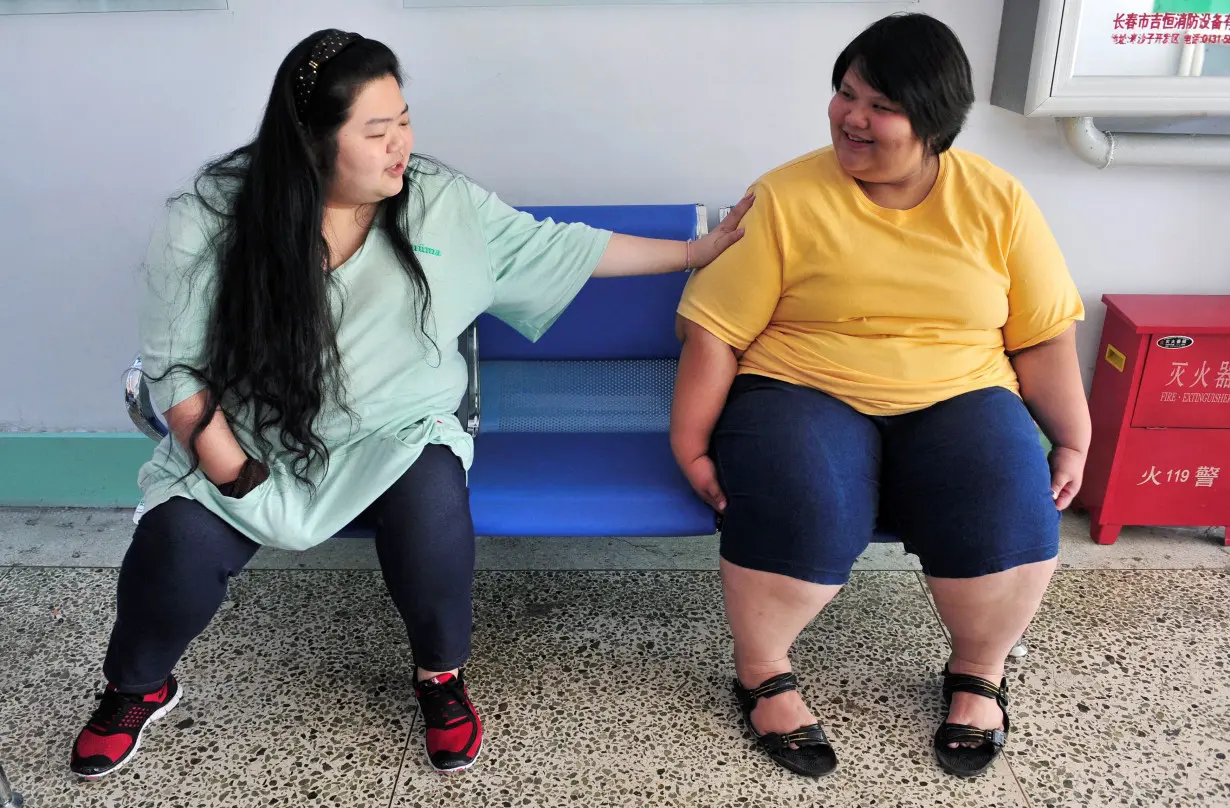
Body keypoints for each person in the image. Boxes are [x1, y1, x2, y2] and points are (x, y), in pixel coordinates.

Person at [70, 29, 751, 781]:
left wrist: (695, 253)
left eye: (403, 120)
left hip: (396, 428)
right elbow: (176, 367)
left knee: (433, 509)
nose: (402, 145)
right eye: (376, 131)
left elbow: (552, 247)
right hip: (251, 433)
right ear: (310, 139)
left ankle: (440, 678)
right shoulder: (213, 217)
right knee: (176, 544)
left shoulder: (437, 203)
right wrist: (233, 474)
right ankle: (136, 686)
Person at [670, 12, 1089, 780]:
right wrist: (691, 446)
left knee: (1004, 491)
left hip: (960, 389)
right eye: (844, 93)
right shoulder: (786, 196)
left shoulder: (996, 200)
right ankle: (762, 671)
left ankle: (978, 673)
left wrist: (1071, 437)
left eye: (880, 105)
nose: (851, 117)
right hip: (802, 383)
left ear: (934, 121)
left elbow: (1041, 334)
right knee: (802, 498)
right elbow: (716, 333)